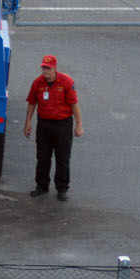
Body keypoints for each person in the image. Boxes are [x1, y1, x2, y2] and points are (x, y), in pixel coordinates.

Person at [22, 54, 83, 200]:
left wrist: (79, 124)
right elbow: (32, 102)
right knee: (42, 157)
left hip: (63, 125)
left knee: (62, 158)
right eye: (43, 68)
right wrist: (28, 122)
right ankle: (41, 186)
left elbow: (74, 104)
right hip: (44, 125)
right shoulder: (38, 83)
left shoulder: (66, 82)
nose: (45, 72)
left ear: (55, 68)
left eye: (48, 69)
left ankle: (62, 189)